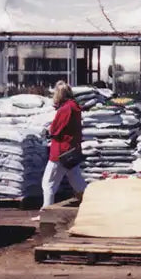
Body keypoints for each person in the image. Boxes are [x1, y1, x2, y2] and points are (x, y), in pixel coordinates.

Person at [40, 81, 88, 216]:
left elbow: (56, 130)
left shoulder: (65, 109)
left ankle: (46, 212)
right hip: (71, 150)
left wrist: (49, 130)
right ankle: (90, 205)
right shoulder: (75, 107)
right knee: (77, 182)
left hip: (60, 152)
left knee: (48, 183)